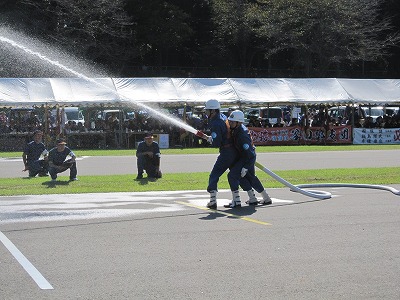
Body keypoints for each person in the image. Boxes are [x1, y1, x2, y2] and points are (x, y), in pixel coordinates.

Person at [225, 110, 272, 208]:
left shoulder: (242, 134)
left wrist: (246, 167)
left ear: (239, 122)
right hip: (244, 157)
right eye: (230, 121)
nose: (230, 123)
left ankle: (236, 201)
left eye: (232, 122)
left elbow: (250, 154)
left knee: (232, 176)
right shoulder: (237, 129)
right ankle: (259, 198)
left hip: (247, 158)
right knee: (249, 178)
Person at [203, 99, 239, 209]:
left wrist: (211, 140)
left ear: (213, 111)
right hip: (233, 150)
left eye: (207, 110)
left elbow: (216, 142)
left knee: (214, 175)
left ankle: (213, 201)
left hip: (226, 152)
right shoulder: (222, 117)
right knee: (234, 176)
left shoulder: (215, 122)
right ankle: (237, 200)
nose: (206, 113)